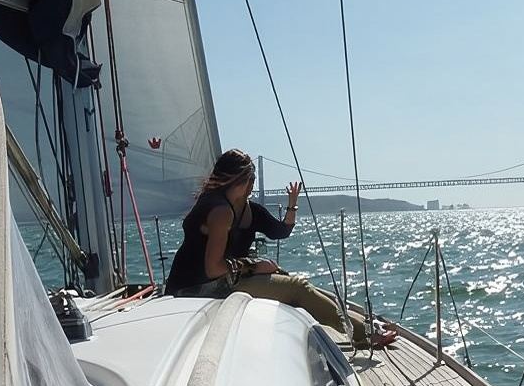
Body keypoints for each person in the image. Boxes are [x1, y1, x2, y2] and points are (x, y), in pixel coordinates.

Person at [165, 149, 397, 349]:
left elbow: (280, 231)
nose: (252, 187)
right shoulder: (220, 211)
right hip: (194, 288)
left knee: (288, 279)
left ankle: (361, 322)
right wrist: (254, 265)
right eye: (251, 180)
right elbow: (213, 269)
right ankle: (364, 333)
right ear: (239, 179)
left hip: (213, 282)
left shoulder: (242, 209)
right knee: (297, 288)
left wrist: (292, 206)